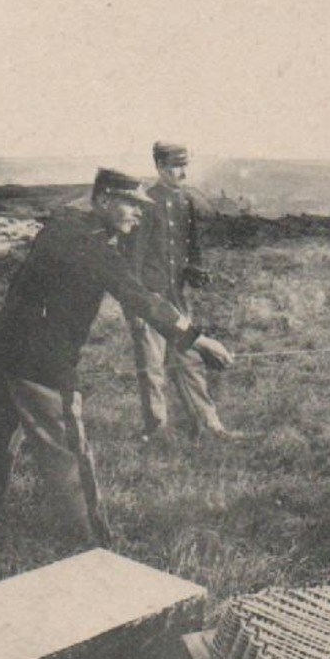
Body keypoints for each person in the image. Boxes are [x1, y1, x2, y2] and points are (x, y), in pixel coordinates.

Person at [0, 168, 235, 547]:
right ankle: (91, 544)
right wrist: (200, 341)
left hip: (3, 349)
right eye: (131, 206)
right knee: (68, 454)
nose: (139, 215)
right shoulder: (90, 245)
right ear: (104, 201)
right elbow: (139, 297)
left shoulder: (64, 228)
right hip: (42, 361)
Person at [121, 141, 238, 443]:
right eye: (174, 166)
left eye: (184, 165)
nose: (181, 172)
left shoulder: (185, 201)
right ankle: (157, 430)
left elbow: (190, 249)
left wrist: (194, 271)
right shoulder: (146, 203)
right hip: (150, 299)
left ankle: (209, 425)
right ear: (159, 167)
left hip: (177, 297)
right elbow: (132, 260)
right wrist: (134, 308)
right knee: (153, 367)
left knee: (191, 360)